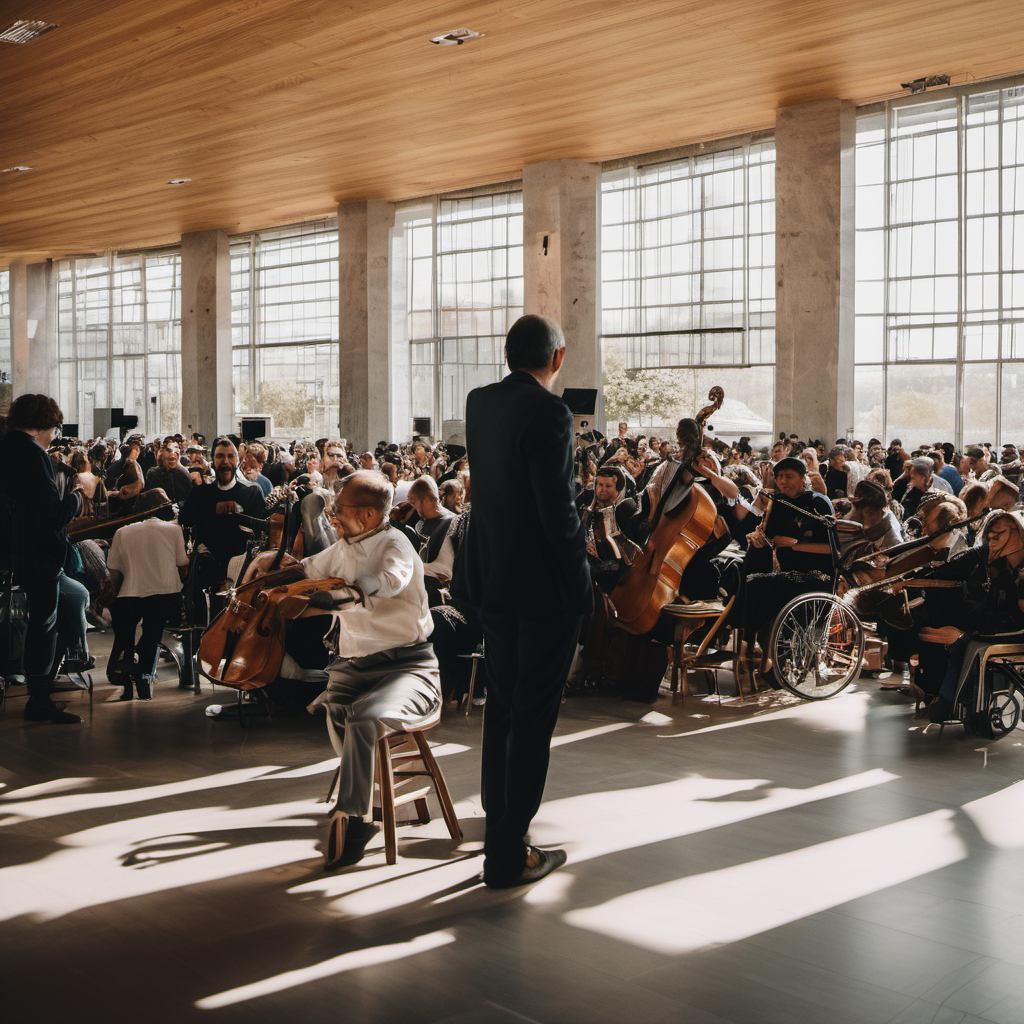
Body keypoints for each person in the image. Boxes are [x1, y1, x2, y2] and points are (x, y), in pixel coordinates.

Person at [453, 313, 590, 889]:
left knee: (504, 705)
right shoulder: (550, 411)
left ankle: (499, 827)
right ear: (556, 360)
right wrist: (580, 581)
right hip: (539, 588)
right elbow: (556, 513)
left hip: (491, 581)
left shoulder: (480, 402)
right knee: (533, 716)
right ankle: (510, 855)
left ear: (508, 355)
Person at [287, 471, 441, 869]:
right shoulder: (343, 546)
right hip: (353, 667)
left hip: (410, 667)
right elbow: (306, 568)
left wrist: (353, 592)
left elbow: (388, 581)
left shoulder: (395, 544)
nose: (334, 515)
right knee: (336, 709)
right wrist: (270, 572)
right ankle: (365, 799)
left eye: (341, 509)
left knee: (363, 718)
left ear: (370, 515)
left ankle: (357, 818)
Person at [0, 394, 85, 723]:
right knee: (44, 624)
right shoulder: (34, 455)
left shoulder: (5, 447)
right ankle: (39, 697)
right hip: (34, 558)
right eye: (54, 429)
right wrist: (79, 497)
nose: (55, 437)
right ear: (43, 426)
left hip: (8, 552)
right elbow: (52, 515)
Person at [105, 488, 189, 699]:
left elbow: (114, 572)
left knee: (124, 635)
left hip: (129, 595)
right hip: (165, 594)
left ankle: (126, 674)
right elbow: (182, 565)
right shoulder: (174, 530)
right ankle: (143, 678)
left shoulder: (122, 532)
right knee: (152, 633)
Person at [178, 437, 268, 584]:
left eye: (230, 456)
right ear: (213, 460)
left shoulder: (251, 493)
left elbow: (263, 530)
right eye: (220, 456)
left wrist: (239, 511)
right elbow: (184, 519)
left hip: (240, 574)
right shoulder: (200, 493)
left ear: (238, 460)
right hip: (206, 573)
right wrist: (212, 508)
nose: (226, 461)